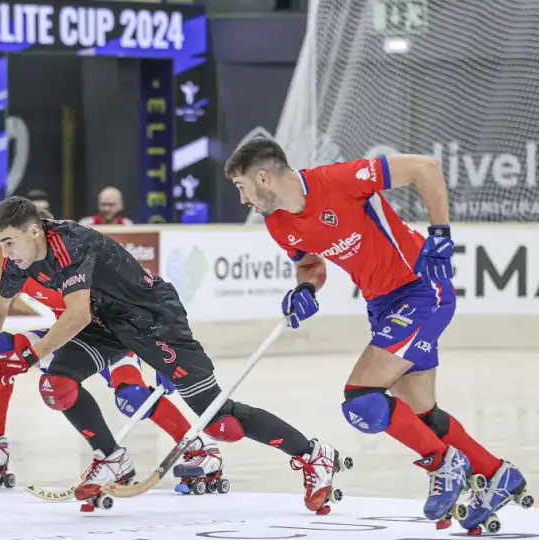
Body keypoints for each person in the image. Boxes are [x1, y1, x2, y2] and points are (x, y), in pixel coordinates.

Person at [0, 196, 346, 513]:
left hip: (153, 319)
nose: (5, 252)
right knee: (56, 384)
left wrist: (27, 356)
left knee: (219, 422)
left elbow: (74, 316)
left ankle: (314, 455)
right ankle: (112, 458)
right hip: (107, 321)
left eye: (8, 242)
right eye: (0, 244)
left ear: (34, 231)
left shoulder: (71, 243)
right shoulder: (18, 259)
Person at [224, 138, 530, 532]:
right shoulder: (278, 223)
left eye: (241, 186)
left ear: (263, 177)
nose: (243, 198)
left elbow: (426, 168)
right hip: (383, 306)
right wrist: (306, 288)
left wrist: (440, 234)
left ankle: (443, 463)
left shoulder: (337, 179)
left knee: (362, 400)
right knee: (422, 416)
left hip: (421, 289)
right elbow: (311, 265)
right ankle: (496, 474)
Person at [0, 209, 207, 492]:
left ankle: (197, 447)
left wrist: (169, 357)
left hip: (113, 332)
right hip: (69, 336)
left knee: (132, 397)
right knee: (5, 356)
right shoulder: (24, 264)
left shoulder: (73, 258)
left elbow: (147, 300)